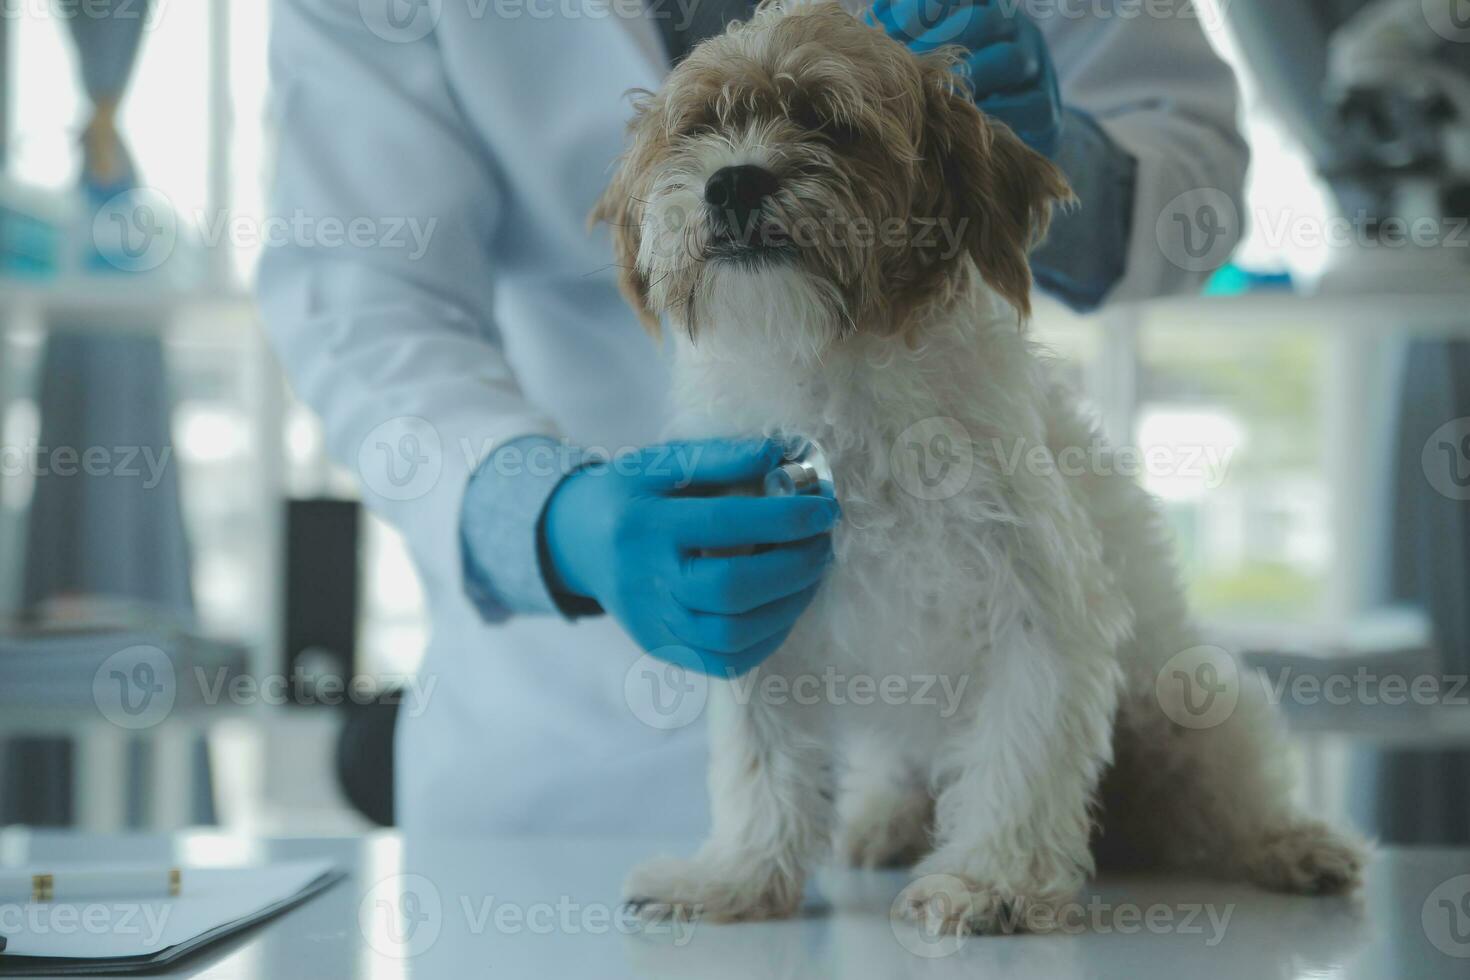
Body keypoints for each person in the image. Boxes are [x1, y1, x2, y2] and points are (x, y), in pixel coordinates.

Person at [258, 0, 1248, 834]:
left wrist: (1047, 157)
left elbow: (1194, 178)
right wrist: (553, 520)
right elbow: (362, 293)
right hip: (566, 764)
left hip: (957, 761)